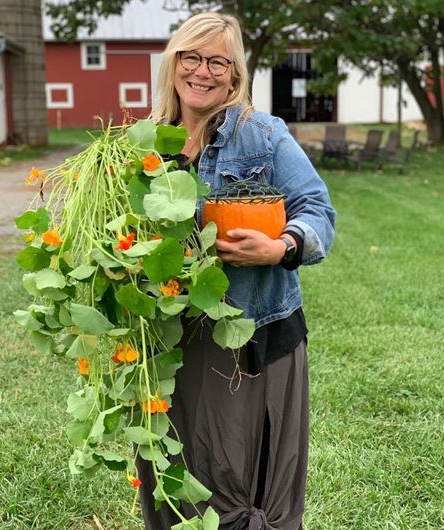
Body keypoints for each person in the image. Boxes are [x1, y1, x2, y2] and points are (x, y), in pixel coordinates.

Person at [137, 12, 336, 530]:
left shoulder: (262, 136)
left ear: (234, 73)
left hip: (251, 337)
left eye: (217, 61)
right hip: (166, 341)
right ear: (173, 62)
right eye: (191, 57)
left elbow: (318, 211)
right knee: (174, 476)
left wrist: (281, 247)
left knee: (242, 479)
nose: (202, 71)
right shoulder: (143, 145)